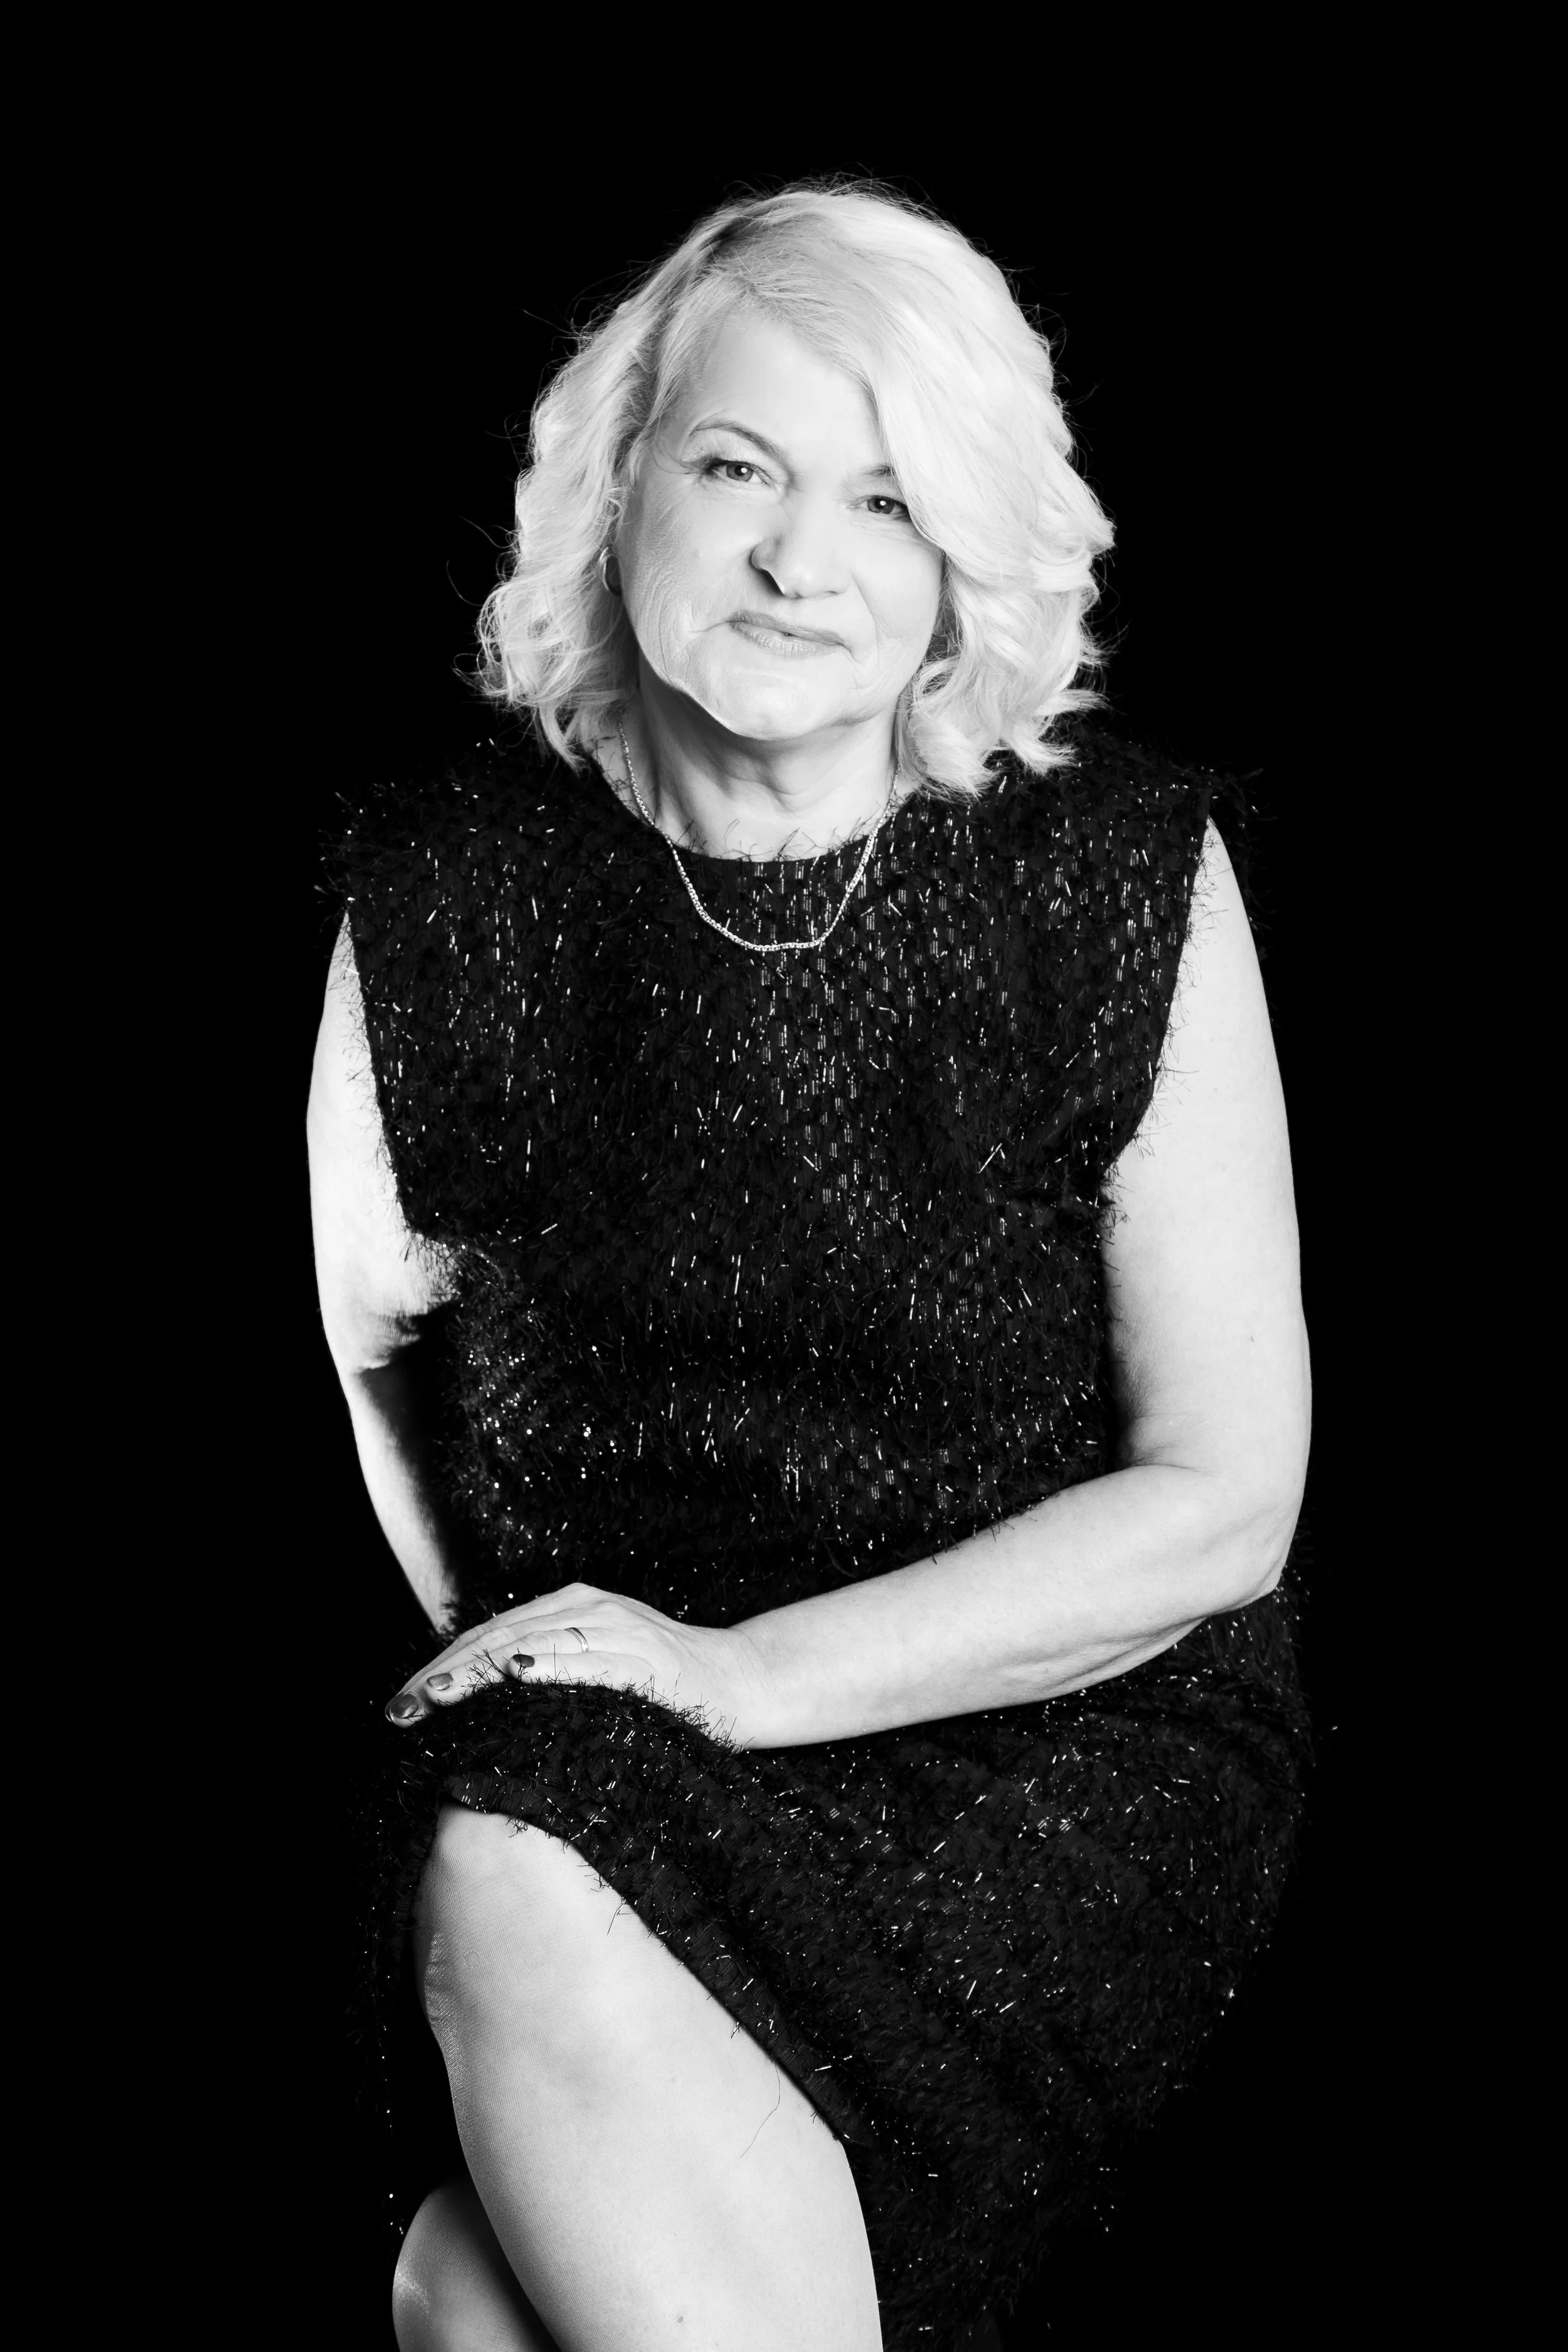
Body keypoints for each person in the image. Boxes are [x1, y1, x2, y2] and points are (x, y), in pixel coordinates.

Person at [309, 181, 1311, 2352]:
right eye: (738, 467)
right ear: (620, 484)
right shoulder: (427, 890)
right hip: (607, 1731)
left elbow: (1224, 1499)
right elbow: (369, 1392)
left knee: (483, 2246)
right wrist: (606, 1662)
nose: (799, 559)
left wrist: (740, 1674)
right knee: (501, 1958)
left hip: (1057, 1728)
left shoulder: (1111, 871)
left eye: (885, 498)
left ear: (960, 560)